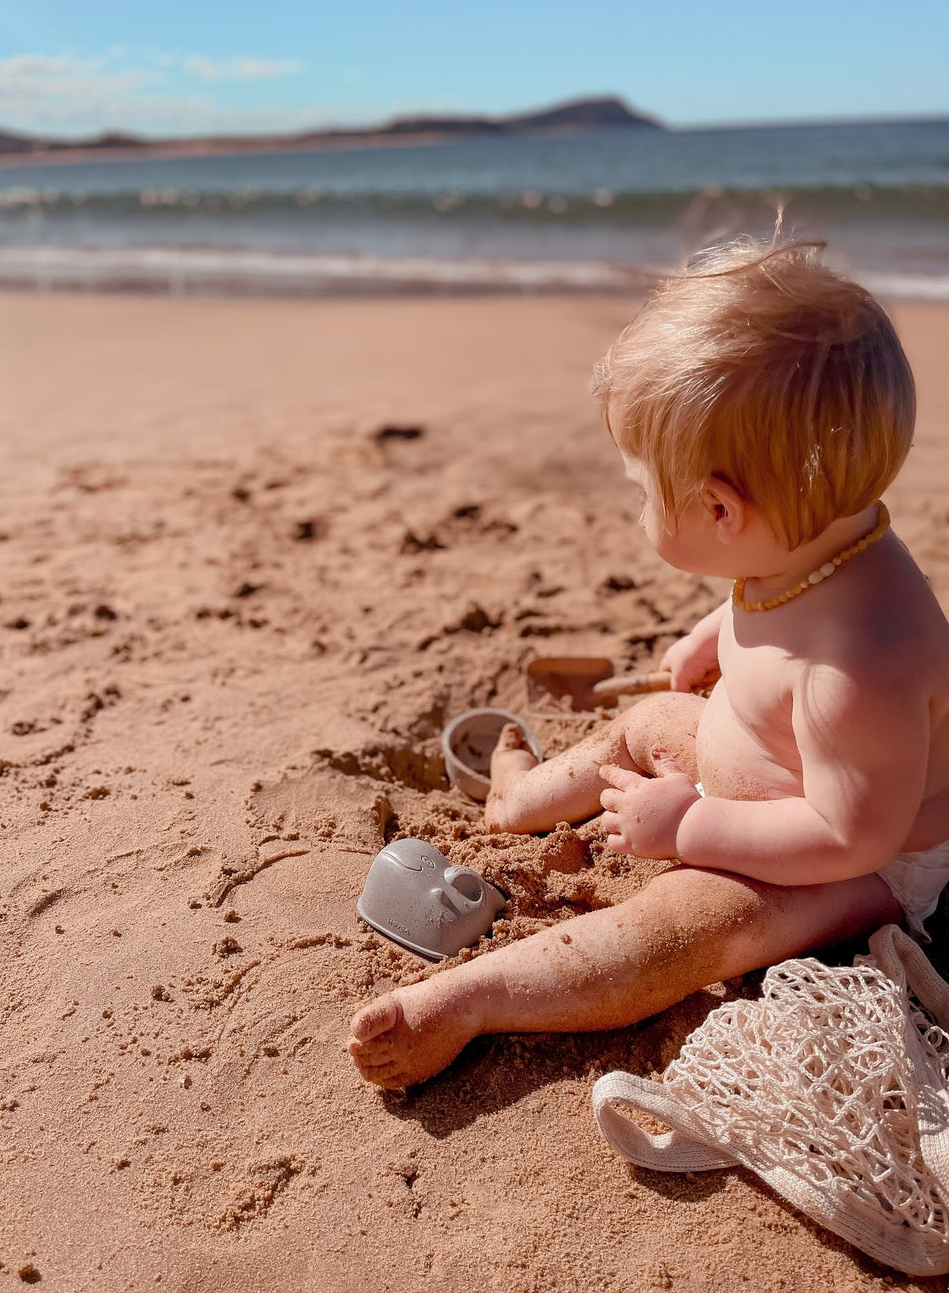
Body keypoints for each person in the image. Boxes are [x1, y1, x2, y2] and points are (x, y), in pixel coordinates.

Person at [348, 238, 949, 1090]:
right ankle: (520, 798)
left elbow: (852, 833)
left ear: (719, 508)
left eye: (642, 490)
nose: (636, 505)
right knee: (647, 721)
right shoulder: (822, 539)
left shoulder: (859, 671)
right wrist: (720, 627)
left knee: (687, 926)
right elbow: (787, 591)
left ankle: (470, 999)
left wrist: (691, 829)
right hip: (773, 777)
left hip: (856, 864)